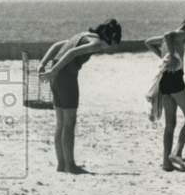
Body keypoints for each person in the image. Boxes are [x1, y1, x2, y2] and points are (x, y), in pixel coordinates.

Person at [38, 19, 122, 173]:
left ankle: (61, 164)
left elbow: (58, 45)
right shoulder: (96, 43)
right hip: (65, 76)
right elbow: (72, 53)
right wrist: (54, 71)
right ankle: (71, 165)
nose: (109, 49)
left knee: (60, 123)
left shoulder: (83, 34)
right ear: (111, 38)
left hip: (57, 77)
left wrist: (43, 63)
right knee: (69, 123)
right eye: (113, 45)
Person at [145, 16, 185, 171]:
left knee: (170, 124)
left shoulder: (174, 38)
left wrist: (165, 57)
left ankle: (166, 163)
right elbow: (168, 35)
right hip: (175, 79)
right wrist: (171, 56)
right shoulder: (179, 34)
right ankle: (176, 153)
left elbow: (148, 42)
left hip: (164, 80)